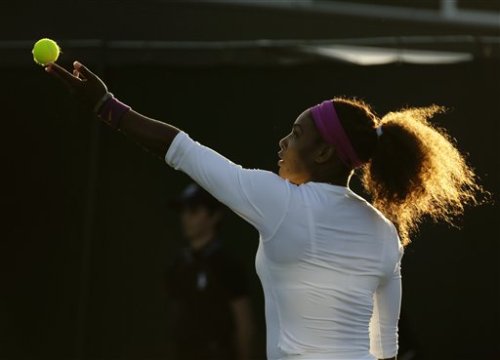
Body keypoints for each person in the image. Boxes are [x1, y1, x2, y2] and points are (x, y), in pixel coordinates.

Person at [45, 61, 488, 360]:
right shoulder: (385, 233)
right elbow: (385, 346)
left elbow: (181, 150)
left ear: (322, 155)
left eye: (295, 135)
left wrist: (107, 107)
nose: (283, 142)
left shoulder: (280, 203)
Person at [166, 183, 253, 360]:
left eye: (194, 211)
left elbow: (244, 321)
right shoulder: (179, 264)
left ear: (214, 216)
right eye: (183, 211)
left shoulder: (226, 264)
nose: (185, 218)